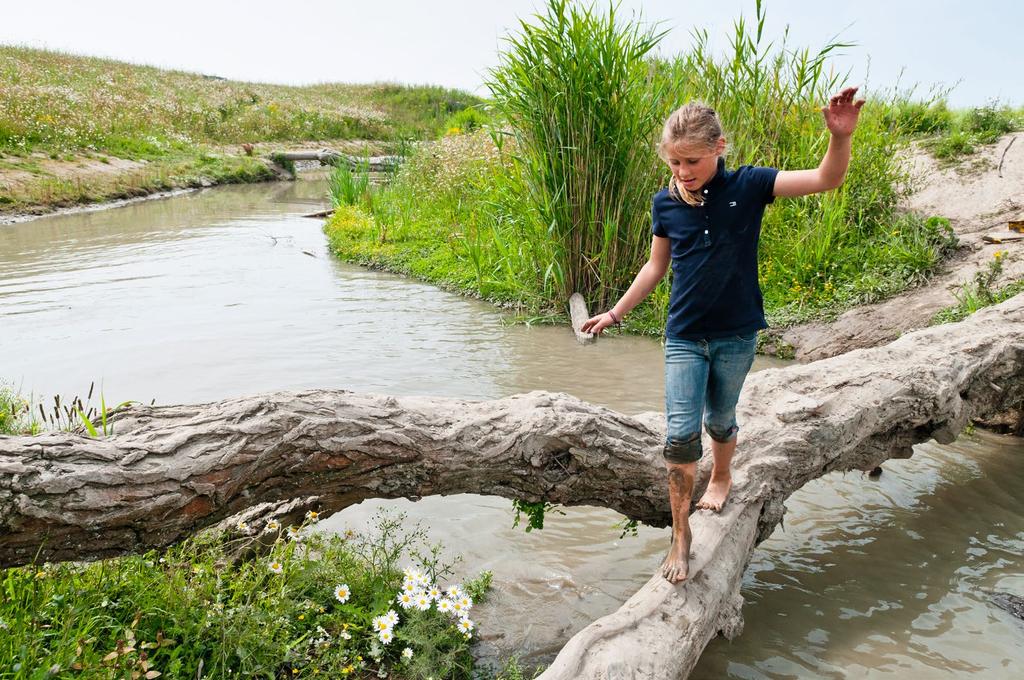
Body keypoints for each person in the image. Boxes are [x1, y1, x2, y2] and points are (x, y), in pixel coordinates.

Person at [581, 87, 865, 584]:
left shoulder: (751, 185)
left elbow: (827, 179)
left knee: (722, 419)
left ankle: (722, 473)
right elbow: (655, 267)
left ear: (720, 147)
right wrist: (615, 313)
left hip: (736, 333)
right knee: (678, 436)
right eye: (673, 162)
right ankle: (680, 533)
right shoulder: (665, 204)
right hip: (684, 335)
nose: (682, 171)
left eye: (691, 160)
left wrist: (838, 137)